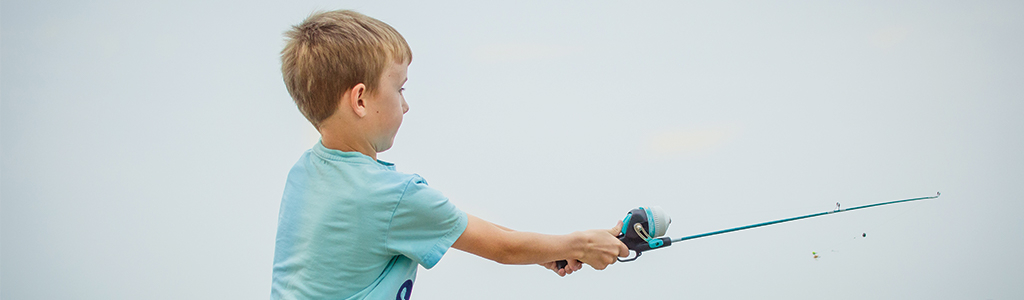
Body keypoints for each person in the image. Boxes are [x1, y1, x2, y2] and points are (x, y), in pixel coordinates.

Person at [271, 10, 629, 299]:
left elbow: (456, 223)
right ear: (361, 99)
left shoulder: (304, 174)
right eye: (400, 89)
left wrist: (549, 250)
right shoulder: (391, 196)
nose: (406, 105)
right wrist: (580, 244)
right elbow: (501, 248)